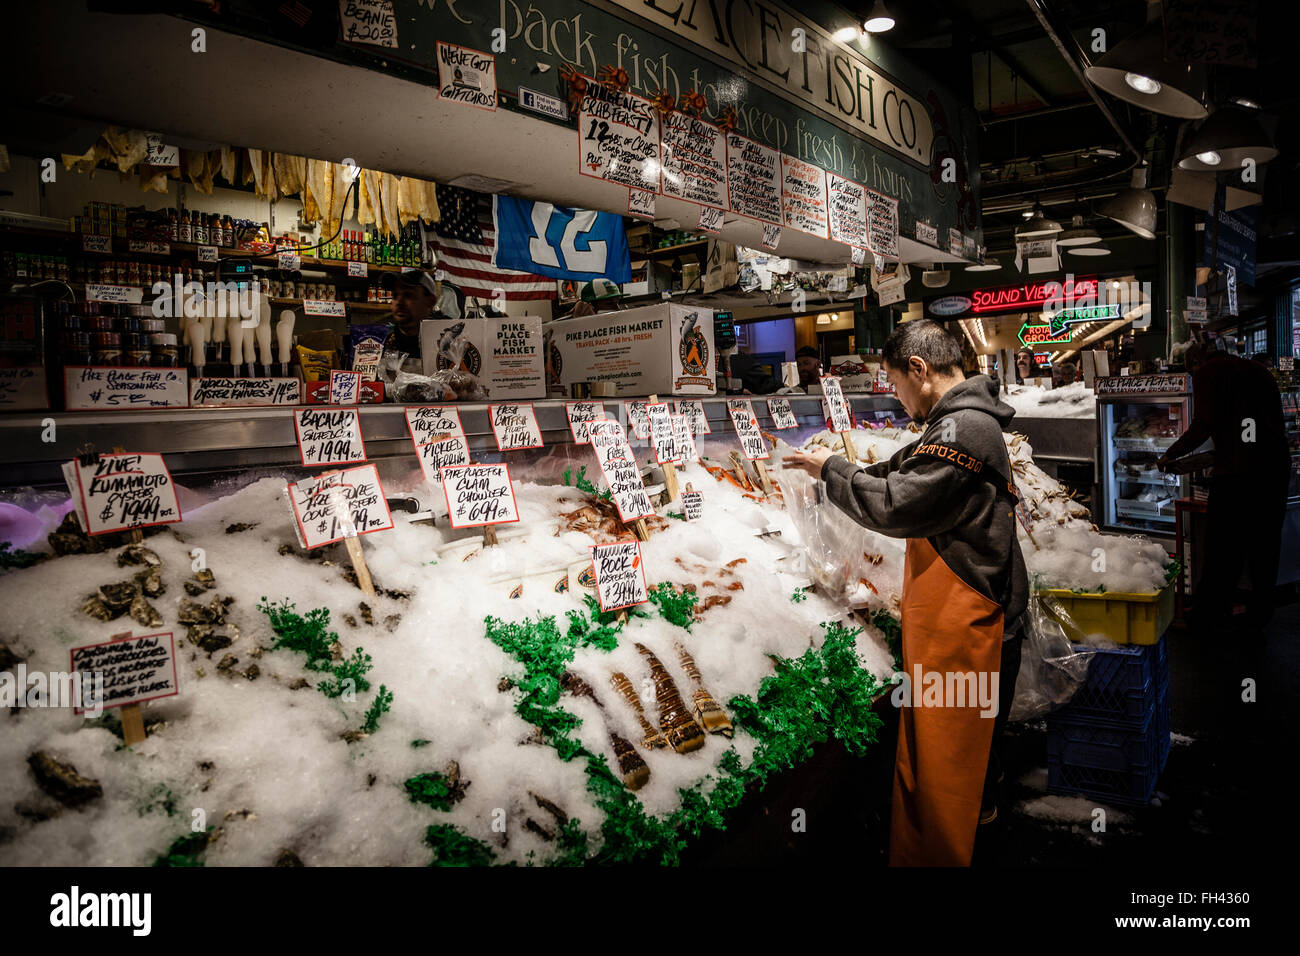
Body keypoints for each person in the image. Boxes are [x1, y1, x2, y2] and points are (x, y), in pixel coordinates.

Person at [783, 319, 1027, 866]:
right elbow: (899, 470)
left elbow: (898, 503)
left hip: (970, 618)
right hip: (966, 609)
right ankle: (972, 824)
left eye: (895, 383)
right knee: (962, 753)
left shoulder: (964, 428)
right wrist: (835, 473)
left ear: (919, 369)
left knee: (948, 756)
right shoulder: (959, 421)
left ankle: (944, 849)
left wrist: (833, 470)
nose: (896, 396)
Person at [1158, 341, 1290, 634]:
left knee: (1223, 546)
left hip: (1238, 475)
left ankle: (1211, 615)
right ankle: (1260, 614)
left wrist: (1172, 453)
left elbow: (1204, 422)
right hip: (1274, 468)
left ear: (1194, 363)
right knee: (1265, 545)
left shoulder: (1207, 373)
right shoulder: (1257, 369)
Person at [380, 268, 439, 357]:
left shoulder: (449, 341)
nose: (399, 302)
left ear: (430, 301)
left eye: (408, 295)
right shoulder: (382, 340)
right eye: (395, 295)